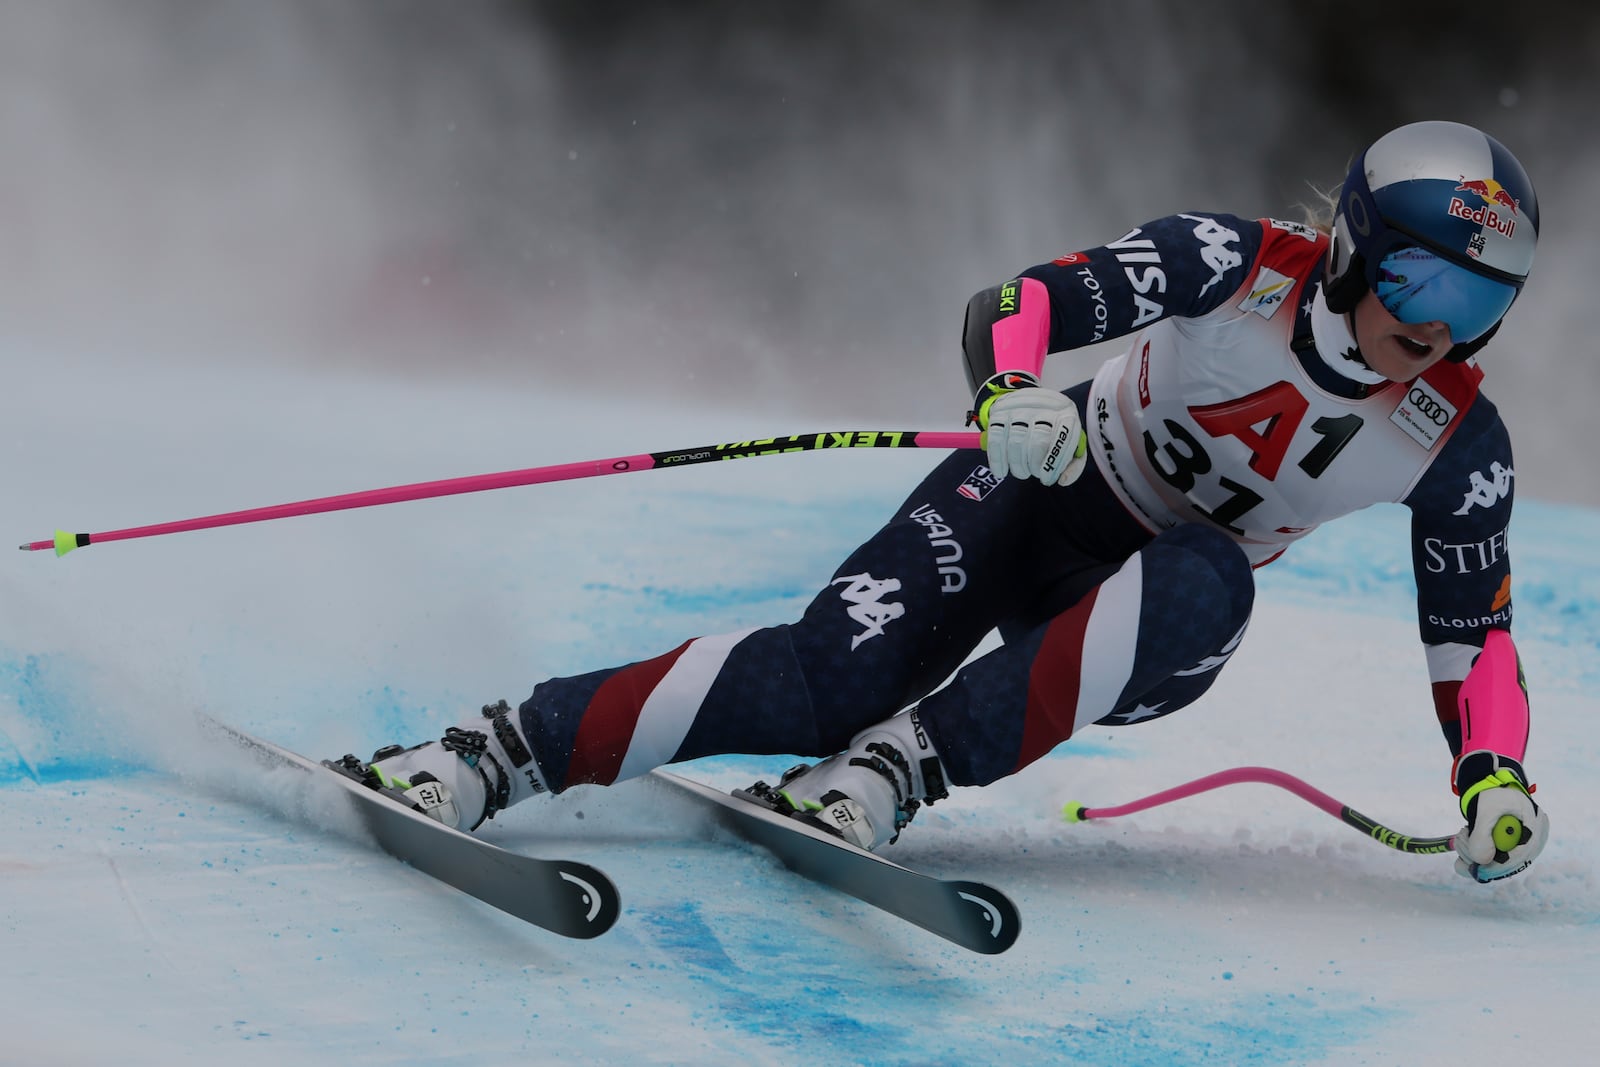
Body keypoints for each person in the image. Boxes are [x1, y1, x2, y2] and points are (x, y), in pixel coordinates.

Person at [356, 119, 1549, 884]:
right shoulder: (1228, 263)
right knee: (828, 676)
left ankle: (894, 773)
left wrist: (1492, 772)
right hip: (1037, 487)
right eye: (1418, 272)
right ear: (1351, 241)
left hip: (1140, 619)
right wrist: (1016, 388)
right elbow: (1020, 303)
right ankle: (495, 748)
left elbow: (1473, 635)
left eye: (1480, 300)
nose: (1438, 322)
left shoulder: (1456, 440)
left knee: (1209, 572)